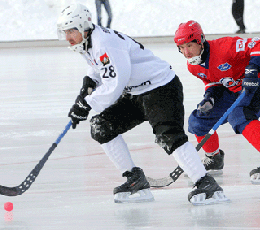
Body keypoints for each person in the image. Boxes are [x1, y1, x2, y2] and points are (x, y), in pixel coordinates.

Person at [57, 3, 229, 205]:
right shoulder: (88, 41)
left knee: (168, 136)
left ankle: (205, 182)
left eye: (71, 30)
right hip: (136, 92)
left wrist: (87, 104)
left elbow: (115, 83)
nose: (67, 37)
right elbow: (98, 68)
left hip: (161, 88)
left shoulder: (104, 42)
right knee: (101, 127)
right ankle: (134, 178)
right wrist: (88, 84)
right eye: (64, 32)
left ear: (83, 26)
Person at [174, 20, 260, 184]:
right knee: (198, 120)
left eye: (189, 46)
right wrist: (210, 97)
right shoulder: (193, 66)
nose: (186, 52)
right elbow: (213, 82)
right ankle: (213, 159)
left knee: (240, 115)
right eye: (181, 47)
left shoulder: (225, 47)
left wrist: (253, 68)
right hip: (233, 90)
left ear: (200, 40)